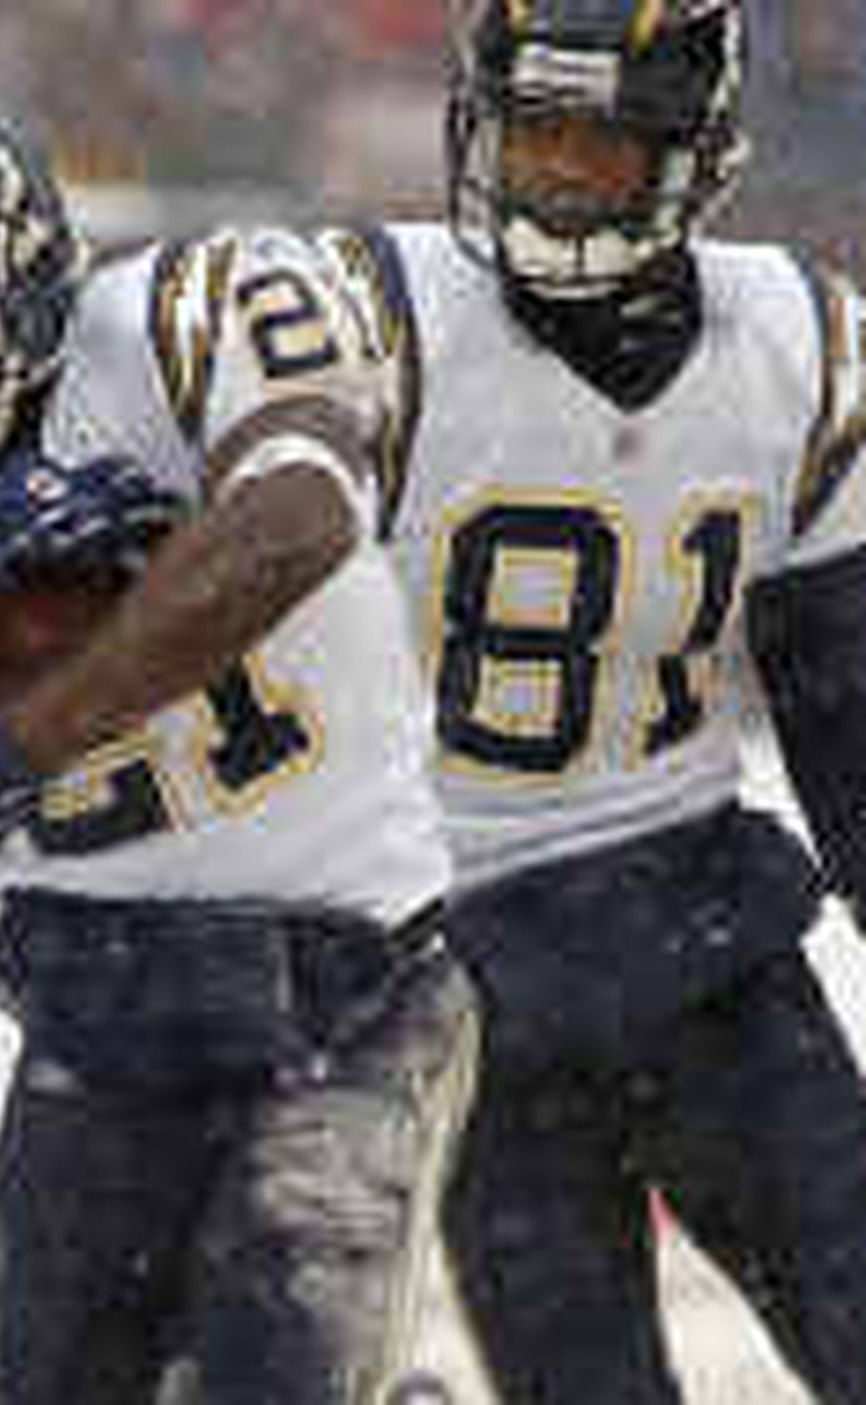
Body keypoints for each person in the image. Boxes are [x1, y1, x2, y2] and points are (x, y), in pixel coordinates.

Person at [0, 78, 475, 1403]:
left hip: (348, 978)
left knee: (279, 1364)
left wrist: (34, 729)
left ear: (19, 260)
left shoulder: (192, 321)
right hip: (97, 1006)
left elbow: (300, 518)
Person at [309, 1, 866, 1399]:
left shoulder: (797, 342)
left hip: (706, 943)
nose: (556, 176)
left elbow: (844, 699)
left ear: (695, 150)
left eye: (602, 147)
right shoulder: (365, 324)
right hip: (466, 979)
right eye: (534, 133)